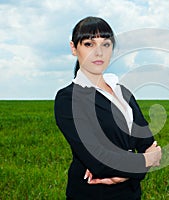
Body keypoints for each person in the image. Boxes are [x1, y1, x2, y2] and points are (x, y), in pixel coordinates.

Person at [54, 16, 162, 200]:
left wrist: (124, 171)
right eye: (89, 44)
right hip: (92, 193)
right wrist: (147, 160)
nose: (99, 53)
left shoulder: (122, 91)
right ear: (74, 48)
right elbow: (98, 161)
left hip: (131, 193)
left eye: (105, 44)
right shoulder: (68, 98)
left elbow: (146, 141)